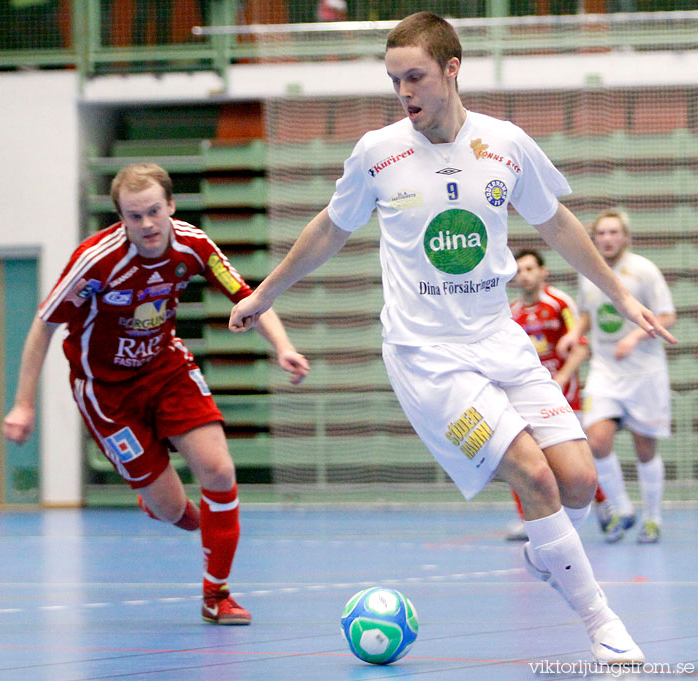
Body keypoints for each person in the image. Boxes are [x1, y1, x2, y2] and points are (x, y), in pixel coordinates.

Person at [228, 12, 676, 664]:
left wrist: (623, 294)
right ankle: (604, 622)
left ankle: (551, 556)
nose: (403, 91)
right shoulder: (378, 152)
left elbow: (556, 226)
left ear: (451, 70)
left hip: (500, 339)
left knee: (579, 481)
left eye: (415, 77)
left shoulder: (506, 144)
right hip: (426, 357)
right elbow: (329, 228)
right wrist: (264, 293)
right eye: (394, 79)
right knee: (534, 476)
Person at [2, 163, 309, 625]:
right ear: (120, 218)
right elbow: (44, 325)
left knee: (219, 470)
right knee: (175, 512)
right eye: (133, 216)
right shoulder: (95, 261)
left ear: (170, 206)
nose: (145, 225)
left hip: (165, 368)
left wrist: (283, 347)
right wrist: (24, 403)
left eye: (152, 212)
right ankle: (159, 500)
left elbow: (247, 296)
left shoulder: (194, 245)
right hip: (105, 392)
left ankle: (216, 596)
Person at [559, 210, 675, 545]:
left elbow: (667, 315)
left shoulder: (643, 271)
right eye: (601, 233)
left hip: (644, 372)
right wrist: (574, 334)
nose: (607, 239)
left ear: (625, 237)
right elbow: (586, 314)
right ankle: (623, 508)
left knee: (644, 447)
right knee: (596, 439)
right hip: (605, 370)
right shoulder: (589, 271)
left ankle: (652, 519)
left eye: (613, 232)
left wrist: (635, 336)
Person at [505, 249, 613, 541]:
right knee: (522, 453)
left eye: (529, 268)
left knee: (574, 460)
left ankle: (604, 504)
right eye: (519, 270)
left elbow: (581, 346)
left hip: (564, 393)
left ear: (543, 272)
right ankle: (531, 519)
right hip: (527, 395)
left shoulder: (559, 303)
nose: (523, 275)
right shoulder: (511, 312)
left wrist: (563, 378)